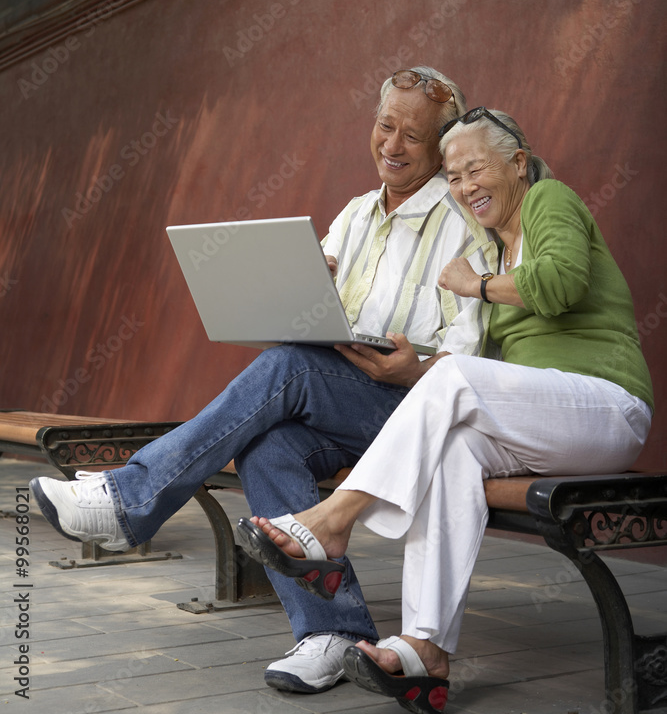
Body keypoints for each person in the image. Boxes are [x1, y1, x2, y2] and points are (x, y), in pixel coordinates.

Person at [30, 68, 497, 695]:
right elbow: (316, 303)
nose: (392, 144)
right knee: (267, 443)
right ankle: (333, 633)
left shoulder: (461, 220)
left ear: (440, 150)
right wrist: (301, 291)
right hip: (347, 401)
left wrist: (413, 369)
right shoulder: (357, 214)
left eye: (412, 136)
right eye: (385, 125)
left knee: (290, 366)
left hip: (419, 406)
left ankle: (130, 500)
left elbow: (473, 352)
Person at [238, 106, 654, 713]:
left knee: (457, 381)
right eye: (454, 177)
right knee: (453, 451)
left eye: (476, 169)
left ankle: (332, 520)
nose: (464, 187)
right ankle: (426, 650)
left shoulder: (547, 201)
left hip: (605, 406)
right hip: (544, 418)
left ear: (517, 163)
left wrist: (472, 286)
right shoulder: (487, 248)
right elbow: (468, 361)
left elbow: (561, 282)